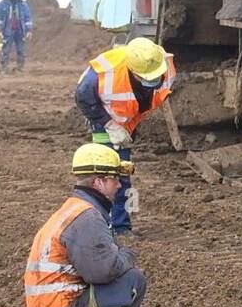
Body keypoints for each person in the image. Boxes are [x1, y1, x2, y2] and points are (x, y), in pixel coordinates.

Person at [25, 144, 147, 307]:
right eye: (114, 179)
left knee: (125, 297)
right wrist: (126, 255)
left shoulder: (73, 209)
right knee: (132, 282)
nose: (119, 185)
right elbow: (103, 271)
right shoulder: (87, 217)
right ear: (98, 182)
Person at [74, 37, 176, 235]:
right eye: (146, 78)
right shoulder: (102, 76)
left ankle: (118, 223)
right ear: (132, 72)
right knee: (113, 171)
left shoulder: (164, 65)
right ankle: (116, 226)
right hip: (104, 115)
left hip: (128, 118)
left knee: (122, 171)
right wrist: (110, 125)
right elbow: (83, 98)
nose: (153, 82)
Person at [0, 0, 33, 73]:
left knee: (21, 49)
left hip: (20, 30)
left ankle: (20, 68)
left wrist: (29, 31)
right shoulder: (2, 4)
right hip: (8, 30)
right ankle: (4, 68)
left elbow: (28, 18)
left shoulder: (23, 5)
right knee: (6, 49)